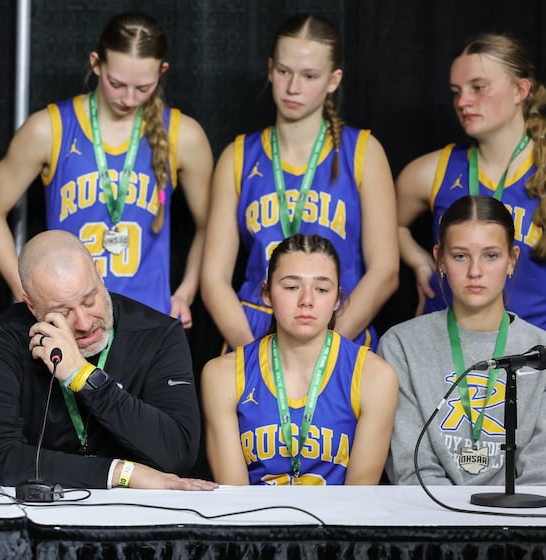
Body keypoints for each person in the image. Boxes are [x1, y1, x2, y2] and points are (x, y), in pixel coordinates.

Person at [0, 11, 213, 327]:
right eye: (117, 84)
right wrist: (25, 290)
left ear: (162, 71)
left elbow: (213, 225)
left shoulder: (183, 135)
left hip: (148, 323)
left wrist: (186, 292)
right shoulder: (50, 129)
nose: (128, 98)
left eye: (143, 87)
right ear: (96, 63)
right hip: (71, 321)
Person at [201, 13, 398, 351]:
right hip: (255, 328)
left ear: (333, 80)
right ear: (270, 69)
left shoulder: (363, 152)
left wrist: (330, 345)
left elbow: (384, 270)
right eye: (284, 72)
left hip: (340, 327)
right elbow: (214, 277)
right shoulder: (238, 156)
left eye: (309, 76)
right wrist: (252, 353)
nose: (293, 88)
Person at [0, 230, 216, 490]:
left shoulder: (159, 334)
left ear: (99, 273)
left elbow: (178, 453)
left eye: (89, 301)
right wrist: (121, 472)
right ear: (32, 307)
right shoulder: (1, 340)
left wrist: (83, 376)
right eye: (62, 312)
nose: (85, 323)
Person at [202, 233, 398, 485]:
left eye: (321, 289)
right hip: (251, 522)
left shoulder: (375, 377)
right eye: (292, 287)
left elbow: (358, 501)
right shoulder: (223, 376)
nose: (307, 300)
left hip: (338, 523)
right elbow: (234, 501)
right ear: (267, 293)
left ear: (337, 299)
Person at [380, 196, 546, 485]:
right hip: (433, 522)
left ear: (512, 260)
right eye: (460, 256)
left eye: (491, 256)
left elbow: (540, 474)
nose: (475, 271)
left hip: (523, 524)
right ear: (439, 259)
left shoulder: (540, 350)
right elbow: (412, 470)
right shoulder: (400, 346)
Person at [396, 34, 546, 329]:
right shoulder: (431, 171)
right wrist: (418, 259)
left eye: (478, 88)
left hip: (534, 362)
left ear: (520, 90)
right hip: (447, 358)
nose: (462, 102)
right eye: (456, 91)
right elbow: (386, 225)